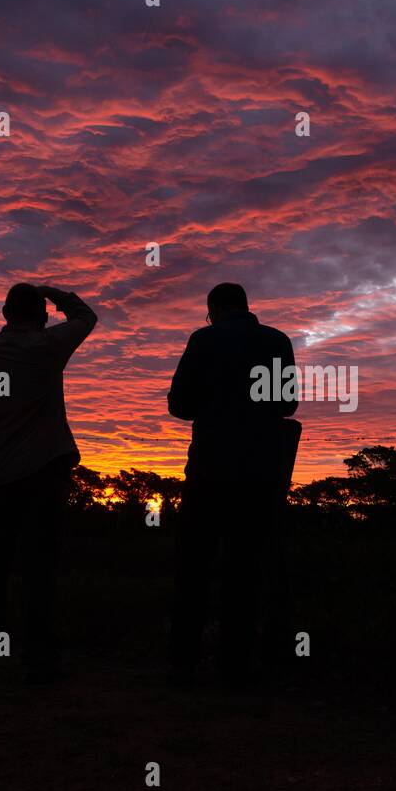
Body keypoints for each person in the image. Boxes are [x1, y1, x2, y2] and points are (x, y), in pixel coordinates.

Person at [167, 283, 299, 686]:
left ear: (214, 310)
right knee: (245, 569)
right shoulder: (277, 341)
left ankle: (183, 664)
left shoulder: (203, 340)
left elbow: (180, 405)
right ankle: (235, 666)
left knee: (194, 568)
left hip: (210, 467)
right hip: (260, 471)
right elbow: (287, 404)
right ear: (246, 305)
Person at [0, 282, 97, 684]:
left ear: (5, 314)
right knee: (38, 570)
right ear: (41, 317)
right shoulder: (48, 347)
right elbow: (86, 318)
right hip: (42, 473)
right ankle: (39, 659)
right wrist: (56, 293)